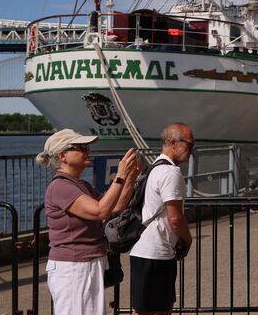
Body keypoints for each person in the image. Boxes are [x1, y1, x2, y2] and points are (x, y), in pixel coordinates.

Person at [38, 129, 142, 315]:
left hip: (88, 262)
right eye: (81, 148)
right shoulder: (61, 186)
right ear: (62, 156)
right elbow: (100, 211)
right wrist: (120, 175)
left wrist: (130, 176)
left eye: (87, 147)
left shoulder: (81, 185)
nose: (87, 151)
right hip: (73, 266)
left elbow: (116, 206)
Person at [129, 123, 195, 315]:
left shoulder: (154, 167)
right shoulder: (171, 173)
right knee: (158, 310)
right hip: (157, 252)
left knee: (144, 309)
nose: (192, 150)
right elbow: (175, 218)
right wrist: (188, 239)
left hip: (142, 249)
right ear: (173, 143)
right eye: (189, 144)